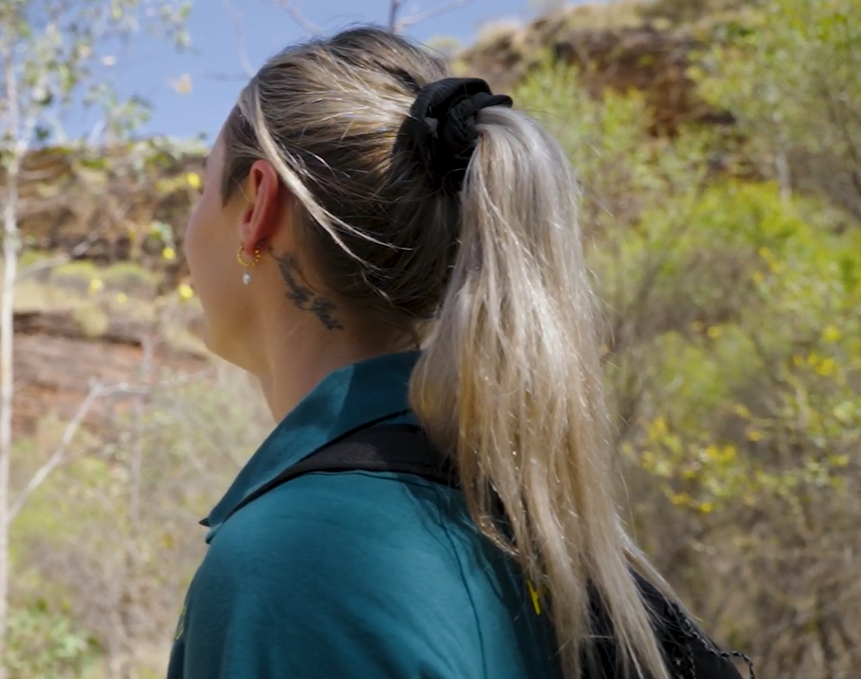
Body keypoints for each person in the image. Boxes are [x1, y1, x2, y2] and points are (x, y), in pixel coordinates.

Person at [169, 25, 701, 679]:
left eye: (201, 191)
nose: (189, 227)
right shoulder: (530, 529)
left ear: (257, 204)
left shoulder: (297, 564)